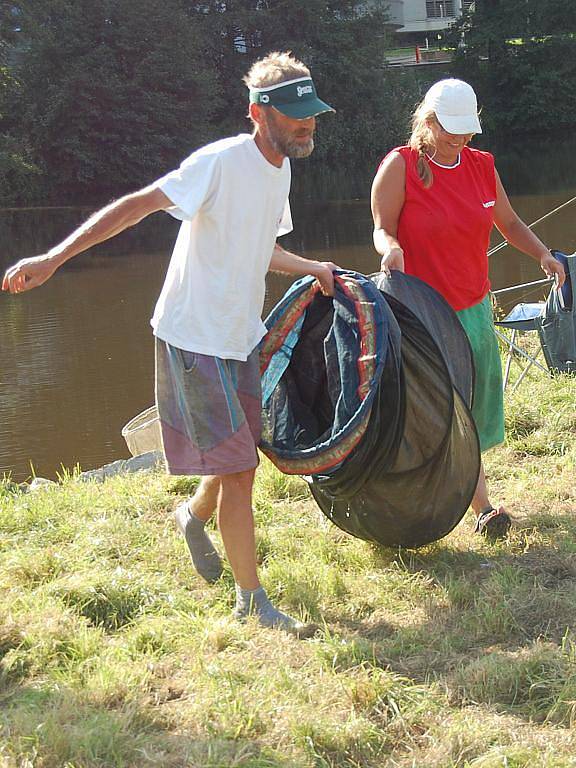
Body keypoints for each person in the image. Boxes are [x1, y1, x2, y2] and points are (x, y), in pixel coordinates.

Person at [2, 51, 338, 634]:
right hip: (194, 336)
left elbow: (259, 248)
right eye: (294, 114)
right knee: (240, 470)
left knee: (241, 452)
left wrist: (313, 267)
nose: (307, 123)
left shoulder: (279, 168)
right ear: (258, 112)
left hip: (238, 334)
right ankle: (251, 602)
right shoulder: (219, 163)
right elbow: (138, 206)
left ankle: (193, 514)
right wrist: (54, 258)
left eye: (311, 113)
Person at [371, 78, 565, 539]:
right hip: (421, 312)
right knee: (443, 407)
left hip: (475, 306)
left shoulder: (481, 166)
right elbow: (381, 226)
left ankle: (461, 496)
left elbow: (510, 221)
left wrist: (542, 254)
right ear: (429, 121)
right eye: (451, 129)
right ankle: (481, 506)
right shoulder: (401, 166)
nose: (461, 139)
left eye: (467, 130)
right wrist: (390, 247)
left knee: (474, 406)